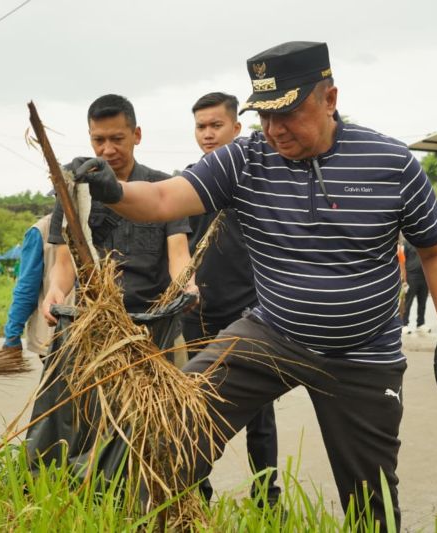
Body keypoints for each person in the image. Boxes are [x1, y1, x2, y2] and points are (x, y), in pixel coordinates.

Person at [70, 42, 437, 529]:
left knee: (372, 501)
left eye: (291, 113)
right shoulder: (246, 158)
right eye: (265, 115)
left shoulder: (391, 163)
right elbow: (158, 199)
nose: (276, 129)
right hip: (273, 333)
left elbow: (433, 250)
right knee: (175, 421)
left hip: (362, 353)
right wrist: (114, 190)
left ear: (329, 99)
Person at [41, 94, 195, 367]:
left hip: (155, 330)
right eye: (99, 140)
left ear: (136, 135)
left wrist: (187, 285)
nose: (108, 149)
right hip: (95, 331)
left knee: (170, 408)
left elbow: (179, 254)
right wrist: (55, 290)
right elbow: (64, 263)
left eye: (117, 139)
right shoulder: (72, 193)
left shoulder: (163, 187)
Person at [182, 92, 280, 504]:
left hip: (250, 313)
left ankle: (266, 497)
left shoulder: (259, 182)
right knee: (196, 407)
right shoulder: (187, 183)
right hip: (197, 315)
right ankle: (196, 491)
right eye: (201, 126)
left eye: (215, 125)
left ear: (237, 128)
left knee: (259, 413)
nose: (207, 134)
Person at [2, 214, 69, 357]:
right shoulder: (40, 231)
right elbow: (27, 288)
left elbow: (27, 288)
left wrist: (12, 335)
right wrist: (13, 334)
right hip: (56, 335)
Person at [402, 238, 431, 335]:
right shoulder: (407, 243)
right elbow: (402, 262)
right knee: (408, 302)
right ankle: (404, 324)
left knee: (422, 302)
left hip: (424, 276)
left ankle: (420, 324)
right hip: (411, 276)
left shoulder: (425, 242)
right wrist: (404, 279)